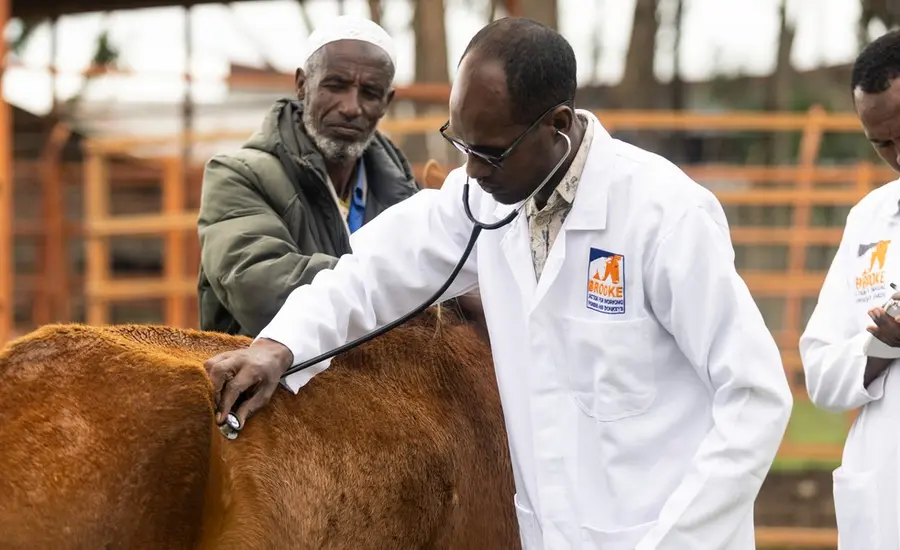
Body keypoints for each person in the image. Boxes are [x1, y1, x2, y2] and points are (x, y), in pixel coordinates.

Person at [204, 17, 793, 550]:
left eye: (490, 152)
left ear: (556, 126)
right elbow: (371, 274)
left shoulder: (664, 216)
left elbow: (755, 396)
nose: (472, 171)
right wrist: (281, 345)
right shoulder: (483, 197)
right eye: (461, 144)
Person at [196, 15, 419, 337]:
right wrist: (402, 284)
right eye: (336, 85)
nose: (351, 107)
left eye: (370, 92)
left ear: (387, 101)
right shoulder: (236, 176)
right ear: (302, 84)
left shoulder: (405, 195)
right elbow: (261, 289)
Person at [799, 29, 900, 550]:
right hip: (885, 504)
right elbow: (820, 372)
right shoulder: (869, 221)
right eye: (883, 143)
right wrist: (881, 347)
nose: (899, 155)